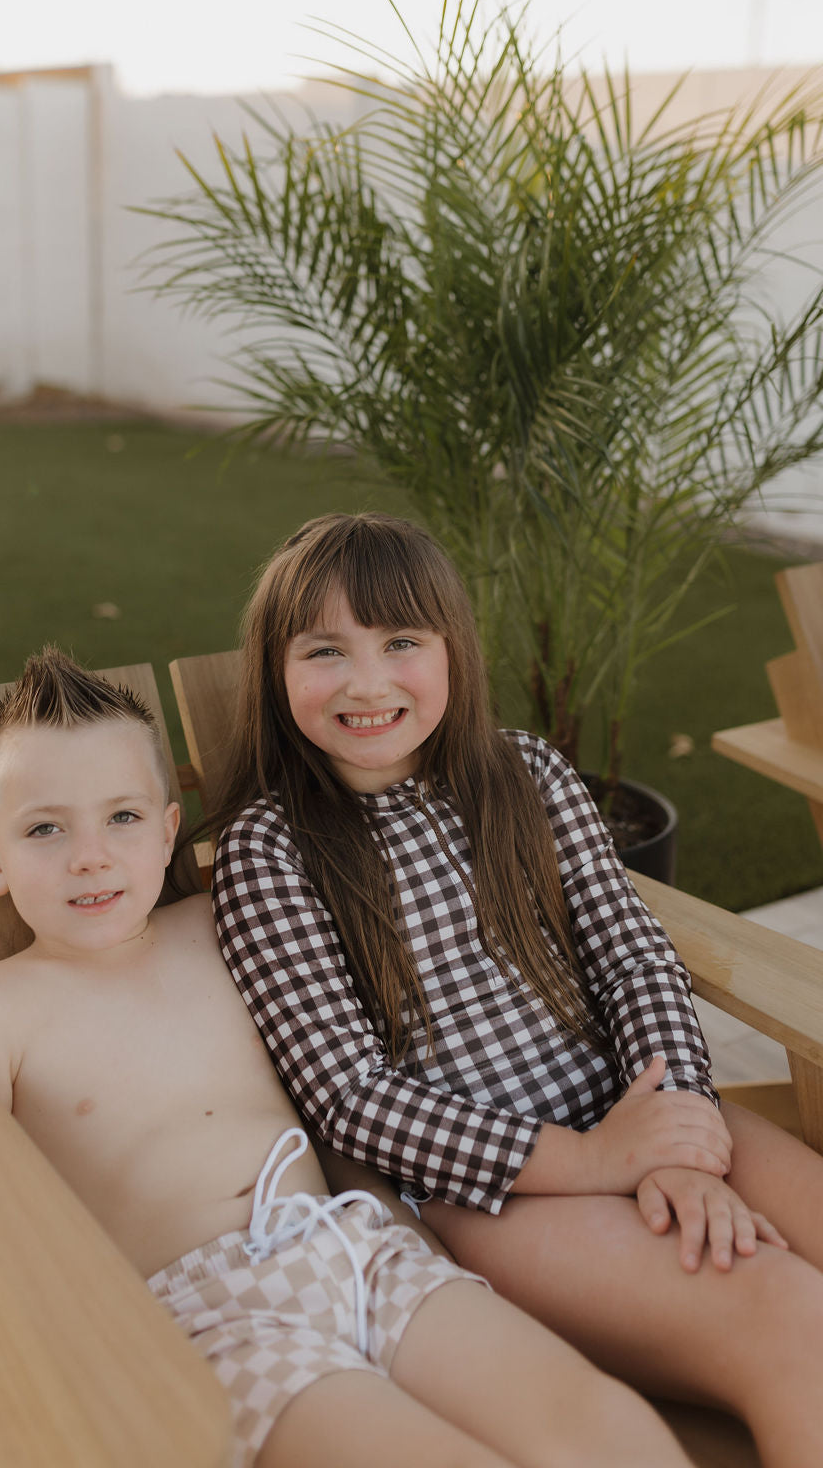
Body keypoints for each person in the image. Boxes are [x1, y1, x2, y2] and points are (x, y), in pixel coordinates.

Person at [0, 646, 688, 1468]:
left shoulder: (228, 931)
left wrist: (407, 1229)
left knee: (597, 1422)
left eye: (121, 817)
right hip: (202, 1316)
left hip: (361, 1248)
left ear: (166, 833)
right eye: (44, 828)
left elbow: (330, 1089)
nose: (89, 854)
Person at [210, 511, 823, 1468]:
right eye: (325, 651)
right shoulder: (272, 846)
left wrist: (677, 1135)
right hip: (493, 1191)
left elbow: (633, 957)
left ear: (453, 649)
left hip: (636, 1105)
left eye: (401, 641)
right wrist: (592, 1161)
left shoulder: (524, 773)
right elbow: (349, 1096)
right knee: (791, 1318)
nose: (367, 682)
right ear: (274, 672)